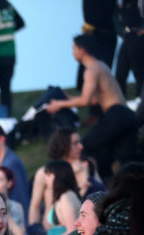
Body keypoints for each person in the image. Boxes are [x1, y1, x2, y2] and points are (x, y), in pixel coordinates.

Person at [48, 35, 137, 180]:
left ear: (82, 50)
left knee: (84, 146)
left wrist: (59, 104)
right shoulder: (101, 65)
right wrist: (69, 98)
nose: (72, 52)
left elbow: (85, 100)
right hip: (128, 116)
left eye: (73, 49)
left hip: (116, 115)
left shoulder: (91, 70)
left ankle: (87, 182)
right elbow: (95, 99)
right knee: (126, 162)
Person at [35, 160, 82, 235]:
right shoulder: (62, 196)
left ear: (58, 176)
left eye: (49, 175)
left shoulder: (66, 197)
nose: (46, 178)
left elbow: (71, 231)